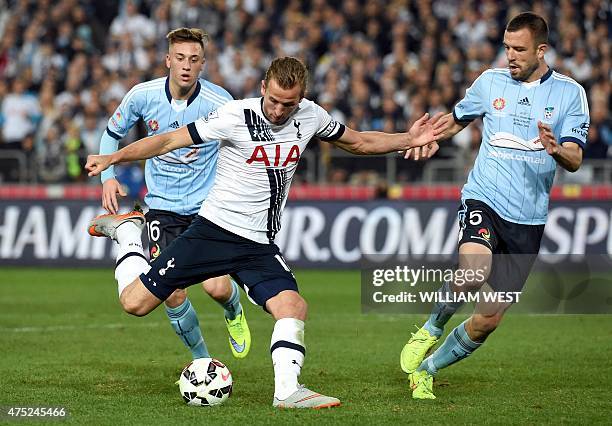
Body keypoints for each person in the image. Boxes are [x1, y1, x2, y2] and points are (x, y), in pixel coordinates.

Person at [85, 56, 439, 408]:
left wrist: (408, 138)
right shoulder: (234, 115)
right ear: (262, 88)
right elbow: (167, 141)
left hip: (257, 243)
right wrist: (112, 160)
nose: (279, 110)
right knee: (135, 303)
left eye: (289, 104)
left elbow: (359, 142)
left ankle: (287, 391)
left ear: (301, 98)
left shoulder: (311, 116)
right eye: (273, 101)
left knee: (293, 305)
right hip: (213, 232)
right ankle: (130, 233)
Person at [399, 12, 589, 400]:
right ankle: (429, 330)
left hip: (529, 219)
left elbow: (575, 157)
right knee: (473, 271)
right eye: (506, 47)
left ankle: (426, 371)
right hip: (483, 197)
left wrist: (556, 150)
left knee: (487, 319)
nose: (510, 56)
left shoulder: (570, 94)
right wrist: (422, 136)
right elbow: (456, 119)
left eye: (518, 49)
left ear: (541, 50)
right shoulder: (490, 82)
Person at [97, 27, 251, 362]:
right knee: (172, 293)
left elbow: (241, 146)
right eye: (180, 58)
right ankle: (203, 362)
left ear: (202, 64)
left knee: (217, 287)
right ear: (168, 60)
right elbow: (111, 134)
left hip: (206, 211)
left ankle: (234, 311)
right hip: (161, 211)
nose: (186, 65)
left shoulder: (220, 102)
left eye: (194, 59)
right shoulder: (143, 95)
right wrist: (108, 178)